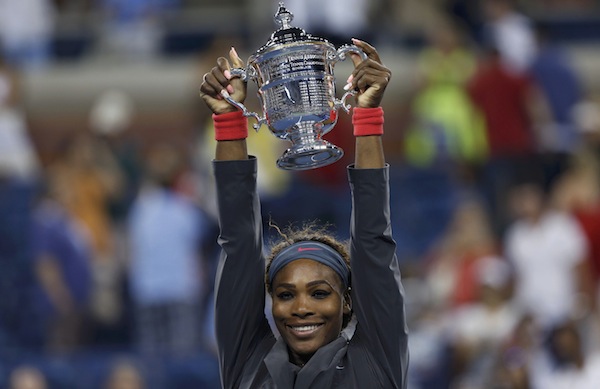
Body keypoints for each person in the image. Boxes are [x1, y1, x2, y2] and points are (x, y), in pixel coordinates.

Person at [199, 39, 408, 388]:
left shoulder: (375, 359)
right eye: (284, 294)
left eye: (320, 292)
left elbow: (374, 242)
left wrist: (368, 114)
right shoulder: (249, 364)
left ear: (347, 302)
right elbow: (238, 245)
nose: (300, 307)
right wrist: (228, 116)